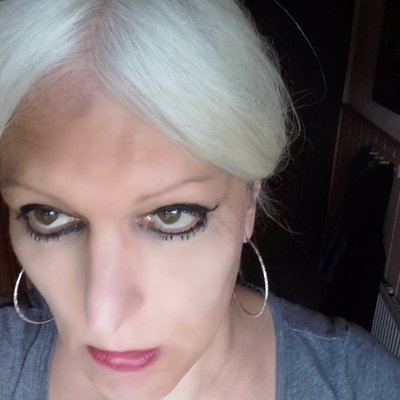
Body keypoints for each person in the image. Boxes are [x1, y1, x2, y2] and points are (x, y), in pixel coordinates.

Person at [0, 1, 398, 399]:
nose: (104, 319)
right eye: (48, 217)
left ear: (250, 200)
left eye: (172, 216)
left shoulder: (364, 386)